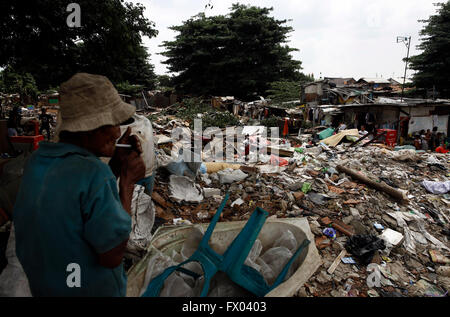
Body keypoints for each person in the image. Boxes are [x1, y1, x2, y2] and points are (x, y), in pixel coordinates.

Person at [13, 73, 146, 296]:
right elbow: (112, 256)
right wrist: (128, 183)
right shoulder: (94, 172)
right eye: (109, 125)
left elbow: (80, 201)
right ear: (87, 130)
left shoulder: (38, 161)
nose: (116, 132)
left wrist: (114, 164)